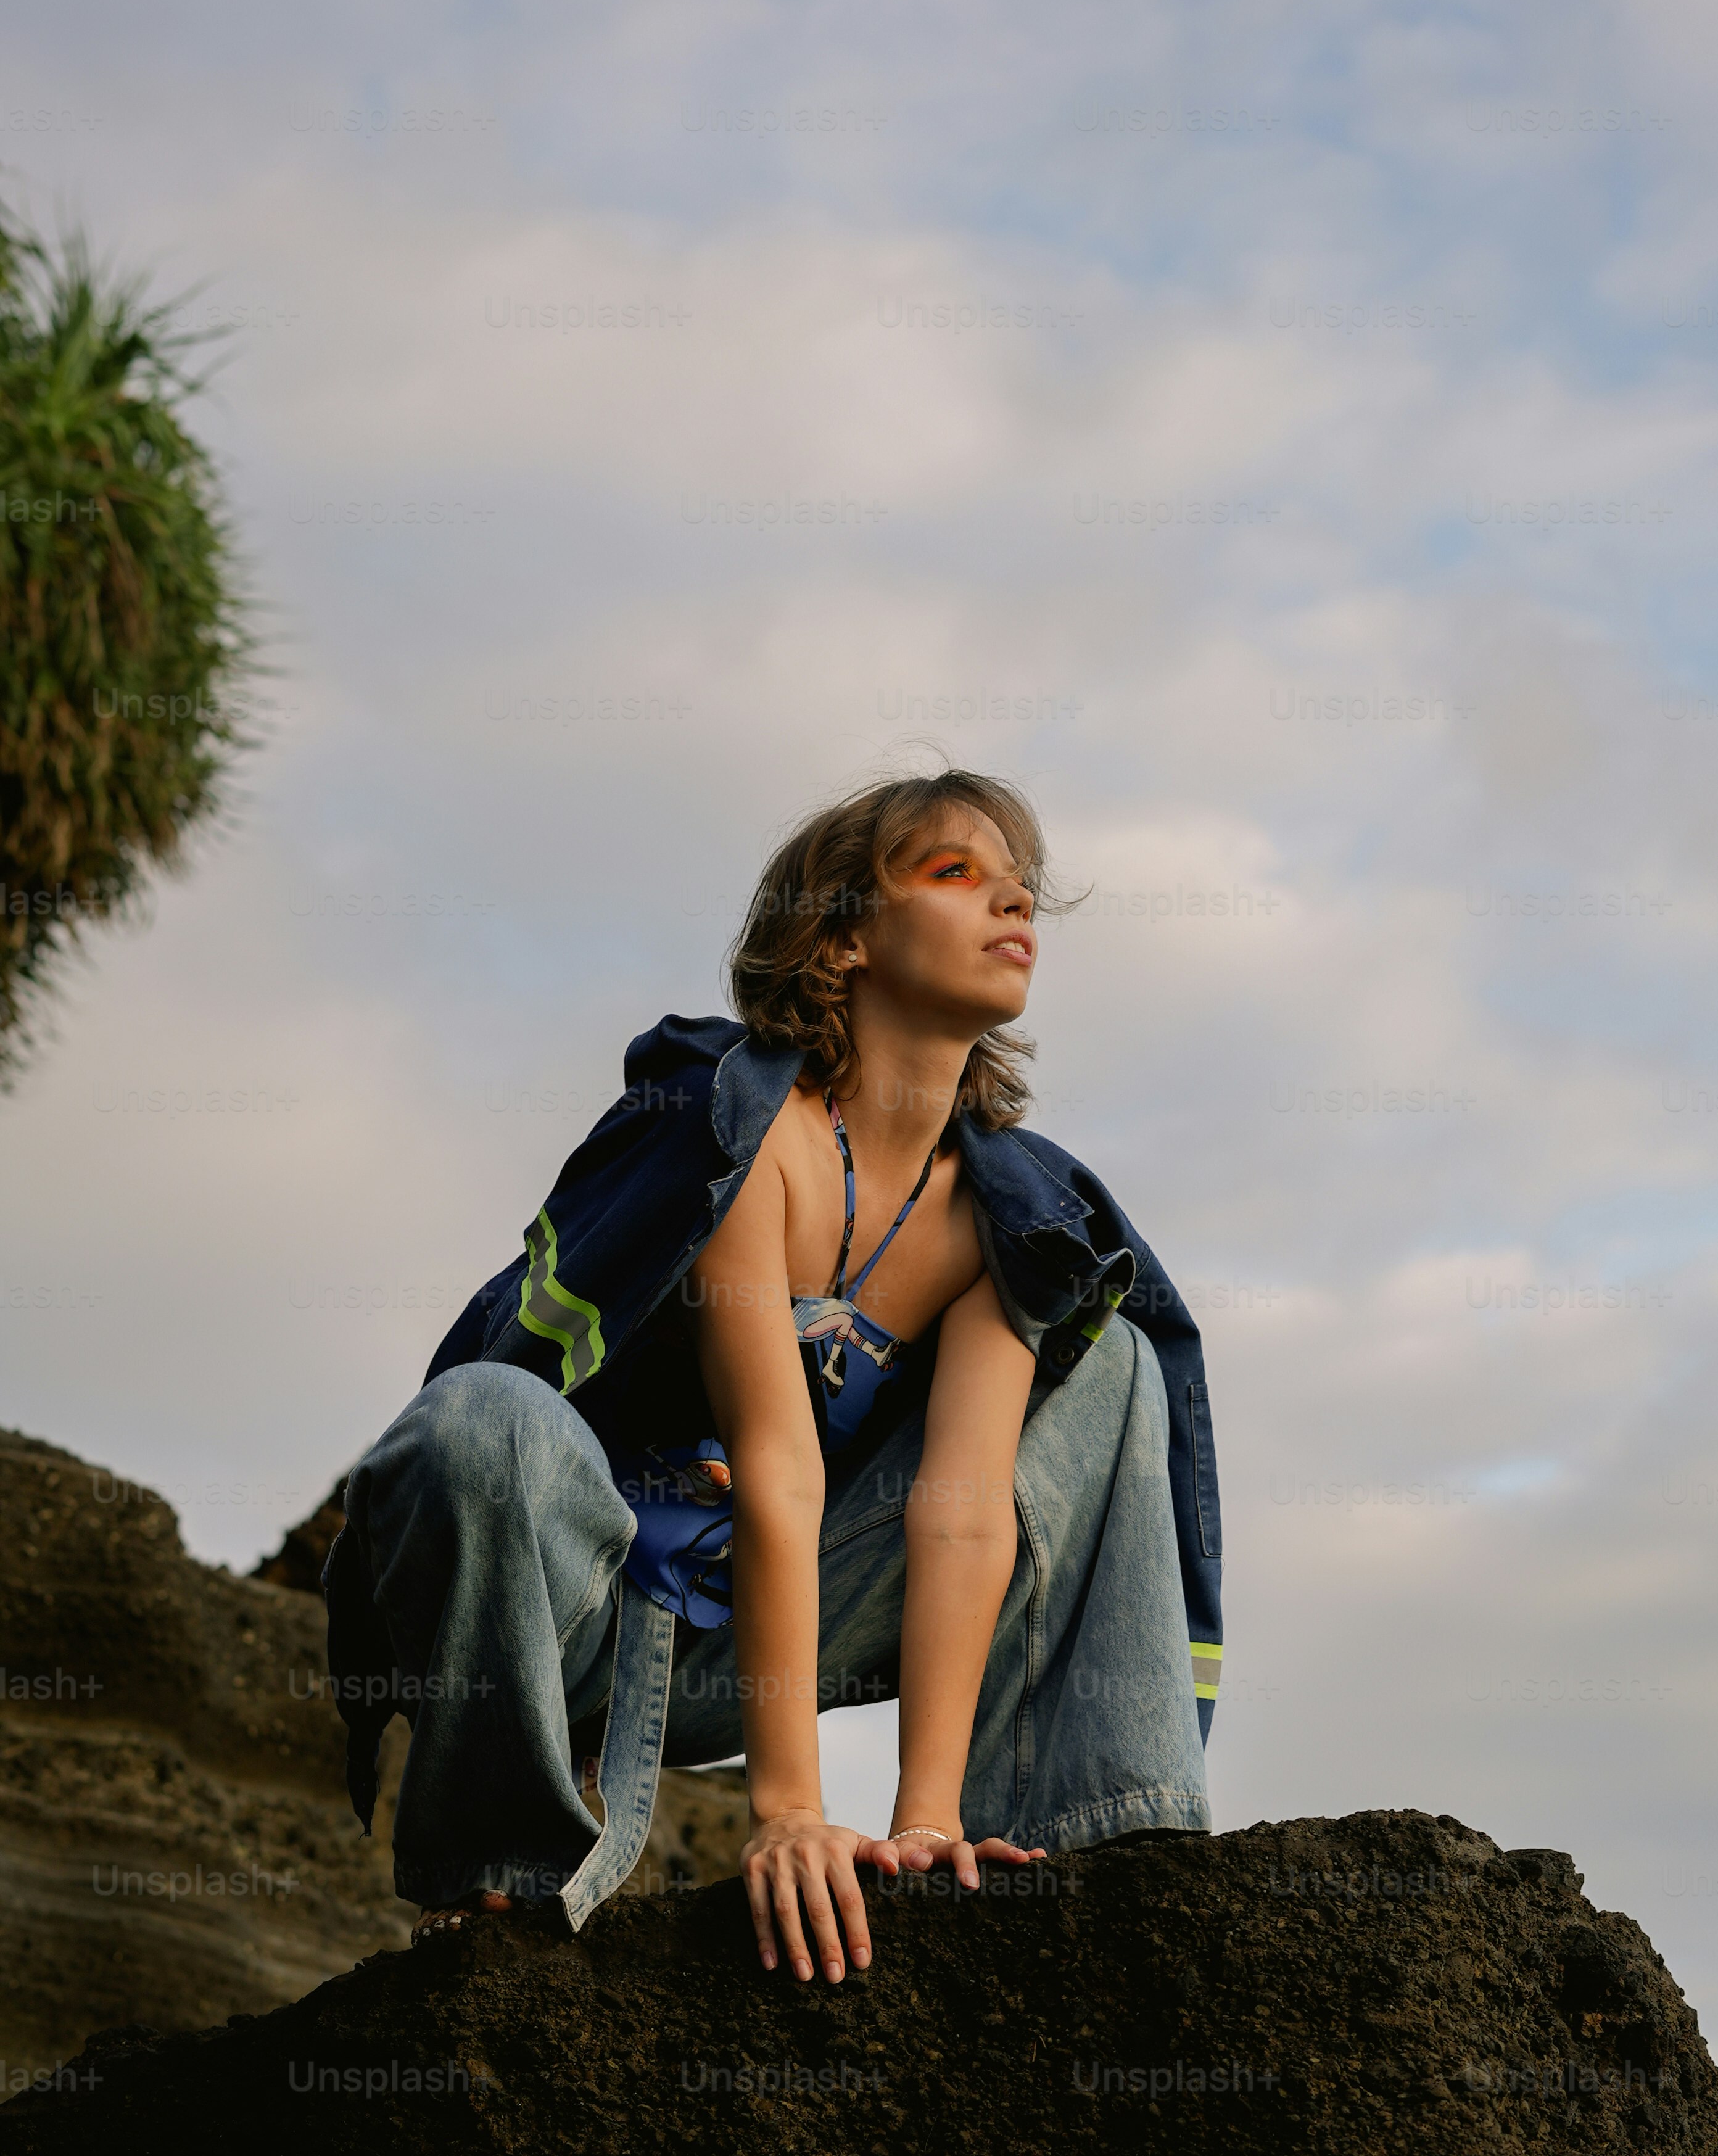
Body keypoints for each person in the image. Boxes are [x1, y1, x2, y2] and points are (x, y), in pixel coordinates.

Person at [321, 768, 1224, 1983]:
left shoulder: (1011, 1215)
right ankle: (498, 1879)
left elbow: (961, 1517)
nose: (1013, 898)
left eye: (1021, 884)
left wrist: (925, 1818)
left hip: (759, 1630)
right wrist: (789, 1809)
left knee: (1108, 1358)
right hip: (577, 1613)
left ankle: (1095, 1862)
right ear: (844, 934)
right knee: (478, 1423)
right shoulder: (746, 1131)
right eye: (957, 872)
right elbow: (779, 1461)